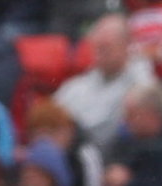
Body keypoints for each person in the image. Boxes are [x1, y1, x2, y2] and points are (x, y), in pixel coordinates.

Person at [55, 14, 154, 153]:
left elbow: (107, 132)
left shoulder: (143, 85)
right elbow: (53, 117)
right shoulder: (74, 86)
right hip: (72, 151)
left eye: (106, 47)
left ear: (126, 45)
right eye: (97, 47)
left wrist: (73, 132)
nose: (99, 54)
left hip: (116, 154)